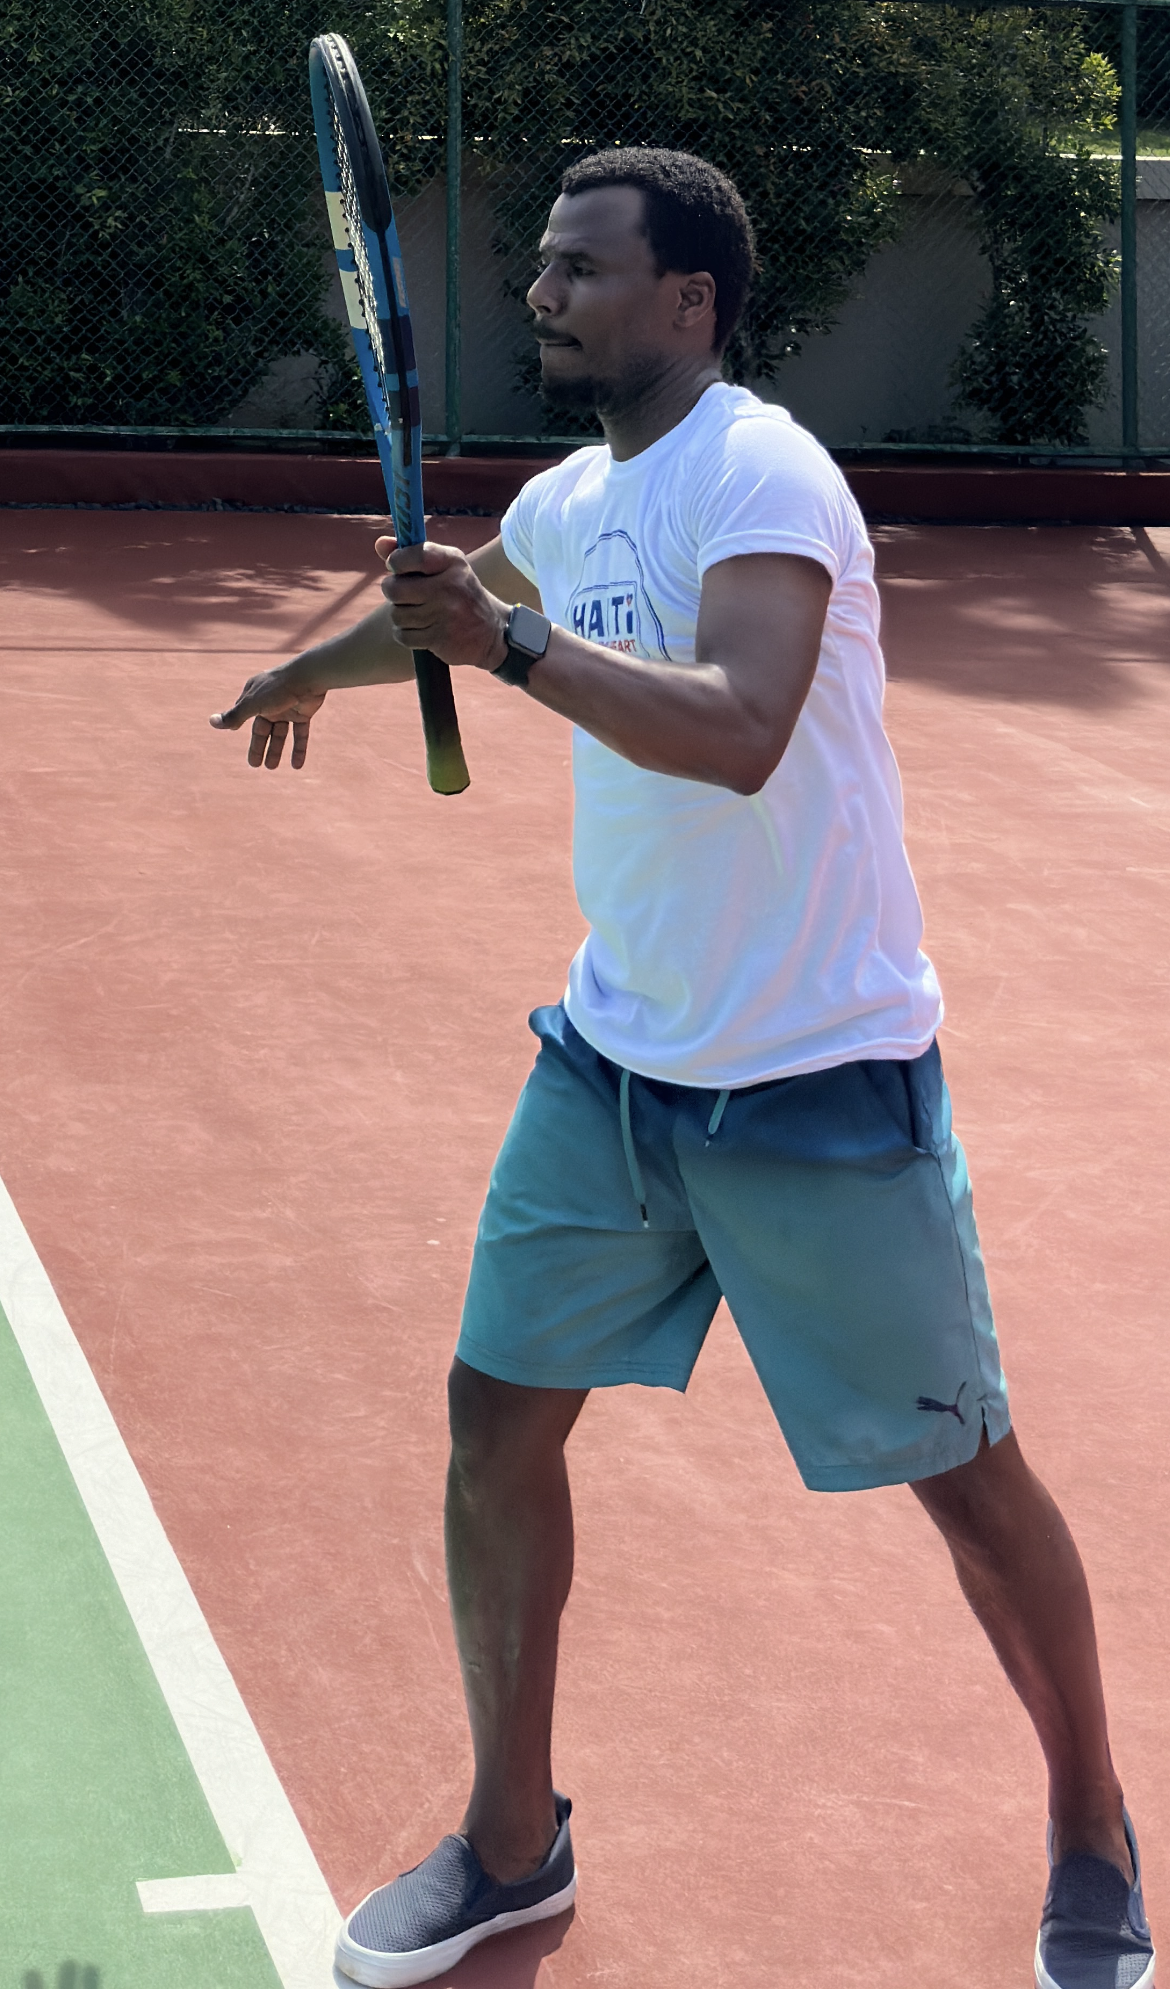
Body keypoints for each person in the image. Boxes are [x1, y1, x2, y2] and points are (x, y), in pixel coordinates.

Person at [212, 148, 1153, 1989]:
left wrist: (512, 645)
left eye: (580, 268)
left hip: (815, 1083)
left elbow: (735, 728)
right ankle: (508, 1846)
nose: (545, 291)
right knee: (495, 1426)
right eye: (545, 265)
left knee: (966, 1479)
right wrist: (317, 669)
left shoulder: (765, 473)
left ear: (689, 303)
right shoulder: (573, 497)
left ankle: (1090, 1820)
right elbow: (459, 599)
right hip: (614, 1073)